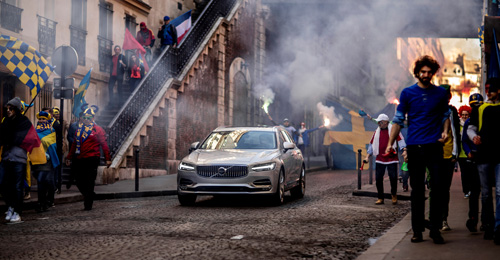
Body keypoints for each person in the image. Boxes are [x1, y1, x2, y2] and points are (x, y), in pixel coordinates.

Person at [386, 55, 450, 244]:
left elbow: (445, 115)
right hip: (414, 146)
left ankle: (435, 229)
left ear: (433, 73)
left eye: (429, 72)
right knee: (417, 191)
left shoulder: (439, 93)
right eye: (423, 72)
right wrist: (390, 143)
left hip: (434, 146)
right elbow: (397, 120)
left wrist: (445, 131)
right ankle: (417, 230)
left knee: (437, 188)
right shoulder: (407, 93)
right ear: (417, 73)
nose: (426, 75)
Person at [467, 78, 500, 244]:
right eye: (487, 89)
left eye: (492, 89)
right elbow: (470, 128)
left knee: (499, 192)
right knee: (486, 193)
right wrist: (474, 138)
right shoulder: (480, 109)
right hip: (484, 156)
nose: (489, 92)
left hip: (498, 156)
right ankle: (488, 225)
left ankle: (497, 228)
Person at [0, 97, 43, 223]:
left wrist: (12, 137)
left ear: (17, 110)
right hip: (6, 157)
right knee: (3, 184)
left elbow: (29, 138)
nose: (8, 111)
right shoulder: (6, 122)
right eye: (7, 108)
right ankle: (10, 207)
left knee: (18, 186)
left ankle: (17, 212)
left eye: (11, 108)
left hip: (19, 159)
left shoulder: (24, 122)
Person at [65, 106, 111, 210]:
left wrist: (108, 158)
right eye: (85, 118)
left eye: (89, 118)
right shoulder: (79, 130)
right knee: (78, 180)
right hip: (80, 158)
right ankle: (89, 195)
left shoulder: (98, 130)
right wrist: (69, 157)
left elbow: (104, 144)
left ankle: (88, 204)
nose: (86, 120)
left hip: (92, 158)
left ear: (92, 119)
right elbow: (74, 145)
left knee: (90, 181)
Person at [364, 114, 406, 205]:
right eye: (378, 122)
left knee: (393, 178)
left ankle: (394, 195)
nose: (379, 123)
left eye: (381, 122)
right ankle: (380, 197)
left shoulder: (393, 130)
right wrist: (367, 156)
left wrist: (404, 150)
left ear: (386, 122)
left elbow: (401, 141)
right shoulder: (376, 132)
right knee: (378, 179)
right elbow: (371, 145)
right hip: (380, 158)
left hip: (392, 158)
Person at [439, 85, 461, 232]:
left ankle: (443, 219)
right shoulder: (432, 110)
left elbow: (455, 132)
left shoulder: (452, 111)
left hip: (448, 155)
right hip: (434, 155)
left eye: (446, 95)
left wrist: (455, 153)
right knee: (435, 188)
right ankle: (435, 218)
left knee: (444, 189)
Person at [460, 94, 483, 234]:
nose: (476, 108)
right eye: (473, 105)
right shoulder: (468, 123)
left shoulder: (486, 119)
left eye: (478, 105)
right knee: (475, 192)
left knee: (487, 193)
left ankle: (487, 222)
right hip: (474, 159)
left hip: (487, 158)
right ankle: (473, 219)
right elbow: (464, 140)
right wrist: (468, 151)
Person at [32, 111, 60, 212]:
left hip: (47, 160)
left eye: (43, 119)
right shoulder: (34, 131)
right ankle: (44, 202)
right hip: (37, 159)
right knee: (42, 181)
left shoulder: (51, 130)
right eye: (40, 119)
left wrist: (46, 153)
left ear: (47, 120)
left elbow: (52, 144)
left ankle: (43, 202)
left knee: (42, 180)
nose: (41, 120)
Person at [457, 104, 472, 199]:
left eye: (466, 114)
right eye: (463, 114)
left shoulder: (471, 125)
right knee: (464, 173)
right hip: (461, 153)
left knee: (471, 173)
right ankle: (466, 191)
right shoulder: (458, 125)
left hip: (469, 152)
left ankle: (471, 189)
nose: (464, 116)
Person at [51, 107, 63, 194]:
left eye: (58, 114)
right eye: (55, 114)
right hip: (53, 148)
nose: (57, 116)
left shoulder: (60, 123)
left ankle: (57, 185)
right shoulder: (52, 124)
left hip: (59, 148)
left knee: (58, 168)